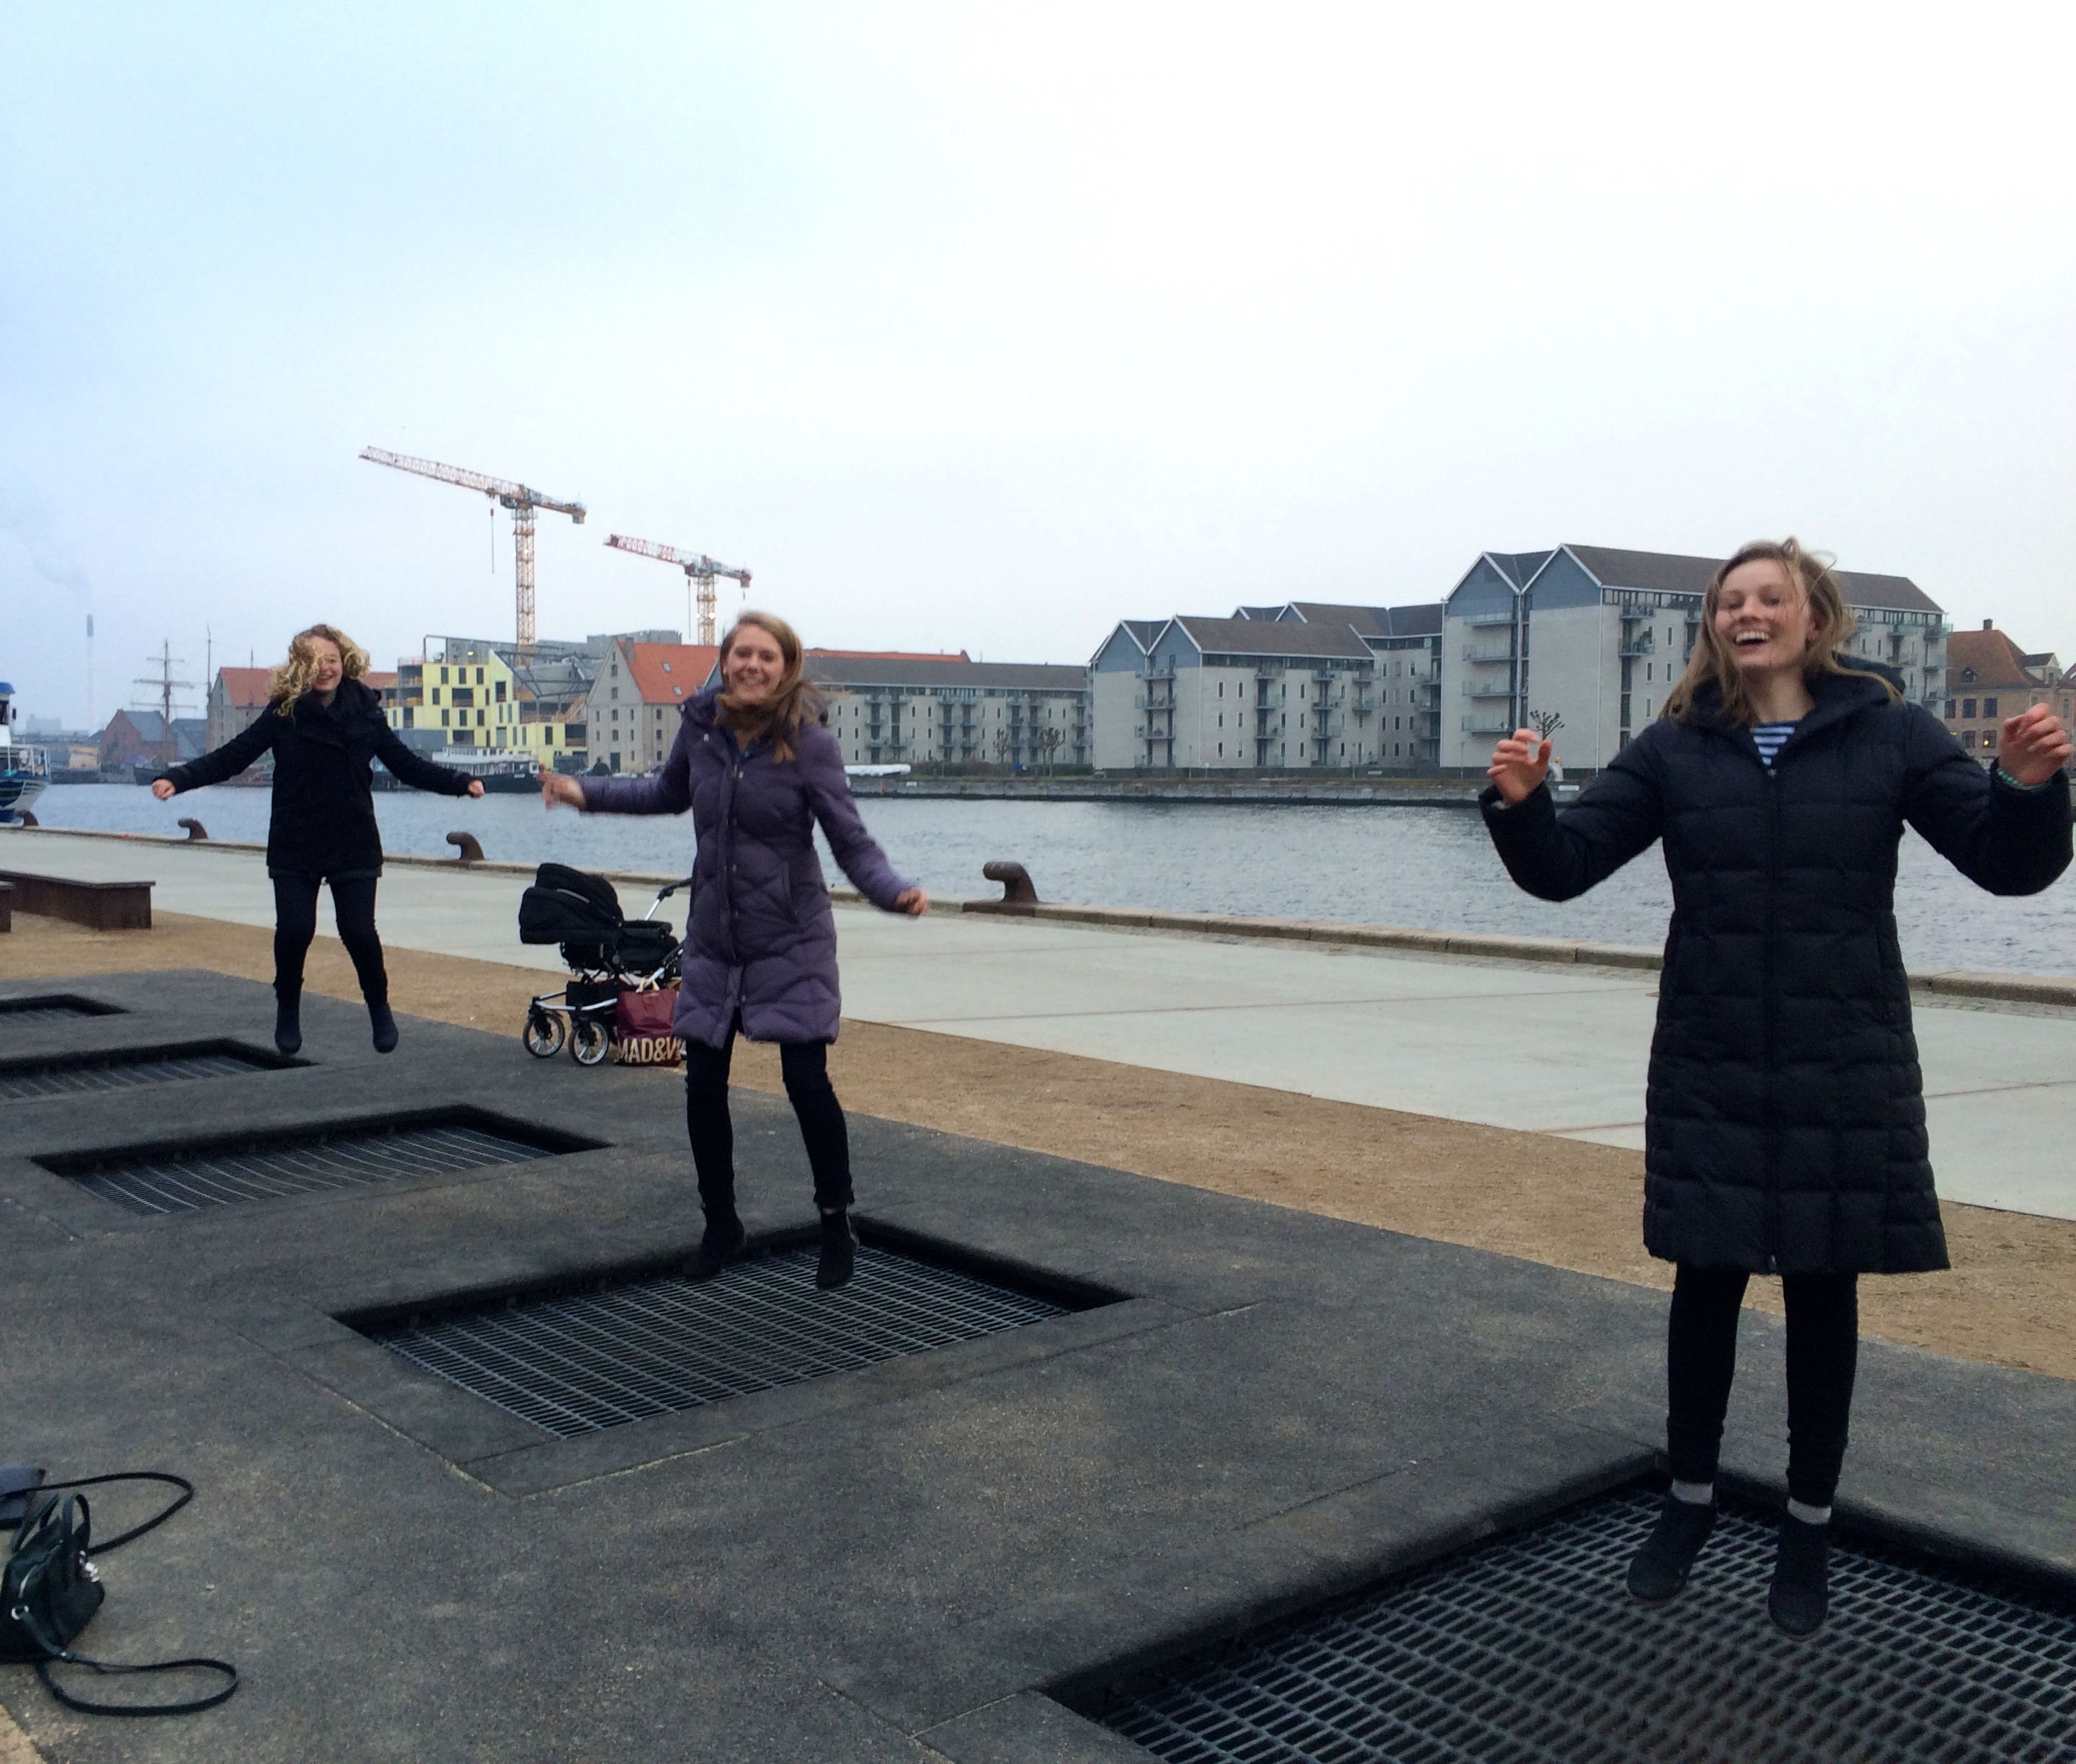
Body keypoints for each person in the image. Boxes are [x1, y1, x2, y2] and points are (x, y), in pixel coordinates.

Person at [1481, 538, 2070, 1639]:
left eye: (1768, 598)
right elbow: (1566, 867)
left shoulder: (1890, 732)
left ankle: (1807, 1526)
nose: (1745, 613)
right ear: (1714, 624)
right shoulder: (1674, 745)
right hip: (1709, 1058)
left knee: (1820, 1289)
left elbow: (2007, 863)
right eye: (1729, 601)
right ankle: (1688, 1501)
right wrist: (1520, 807)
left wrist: (2028, 790)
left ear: (1814, 618)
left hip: (1843, 1058)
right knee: (1703, 1282)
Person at [540, 611, 927, 1291]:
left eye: (767, 656)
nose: (753, 665)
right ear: (724, 662)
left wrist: (892, 892)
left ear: (786, 668)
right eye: (742, 654)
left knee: (806, 1083)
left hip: (791, 938)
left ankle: (834, 1223)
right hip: (717, 938)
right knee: (702, 1085)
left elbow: (851, 840)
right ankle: (720, 1223)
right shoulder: (701, 730)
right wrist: (584, 794)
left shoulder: (809, 743)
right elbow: (663, 793)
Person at [153, 625, 483, 1054]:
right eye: (314, 662)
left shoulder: (366, 712)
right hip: (296, 837)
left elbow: (406, 765)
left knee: (358, 932)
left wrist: (459, 782)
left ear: (344, 662)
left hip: (352, 837)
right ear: (299, 668)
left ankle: (379, 1008)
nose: (324, 669)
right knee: (295, 931)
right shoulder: (283, 714)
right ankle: (287, 1010)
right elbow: (233, 757)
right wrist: (178, 779)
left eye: (331, 659)